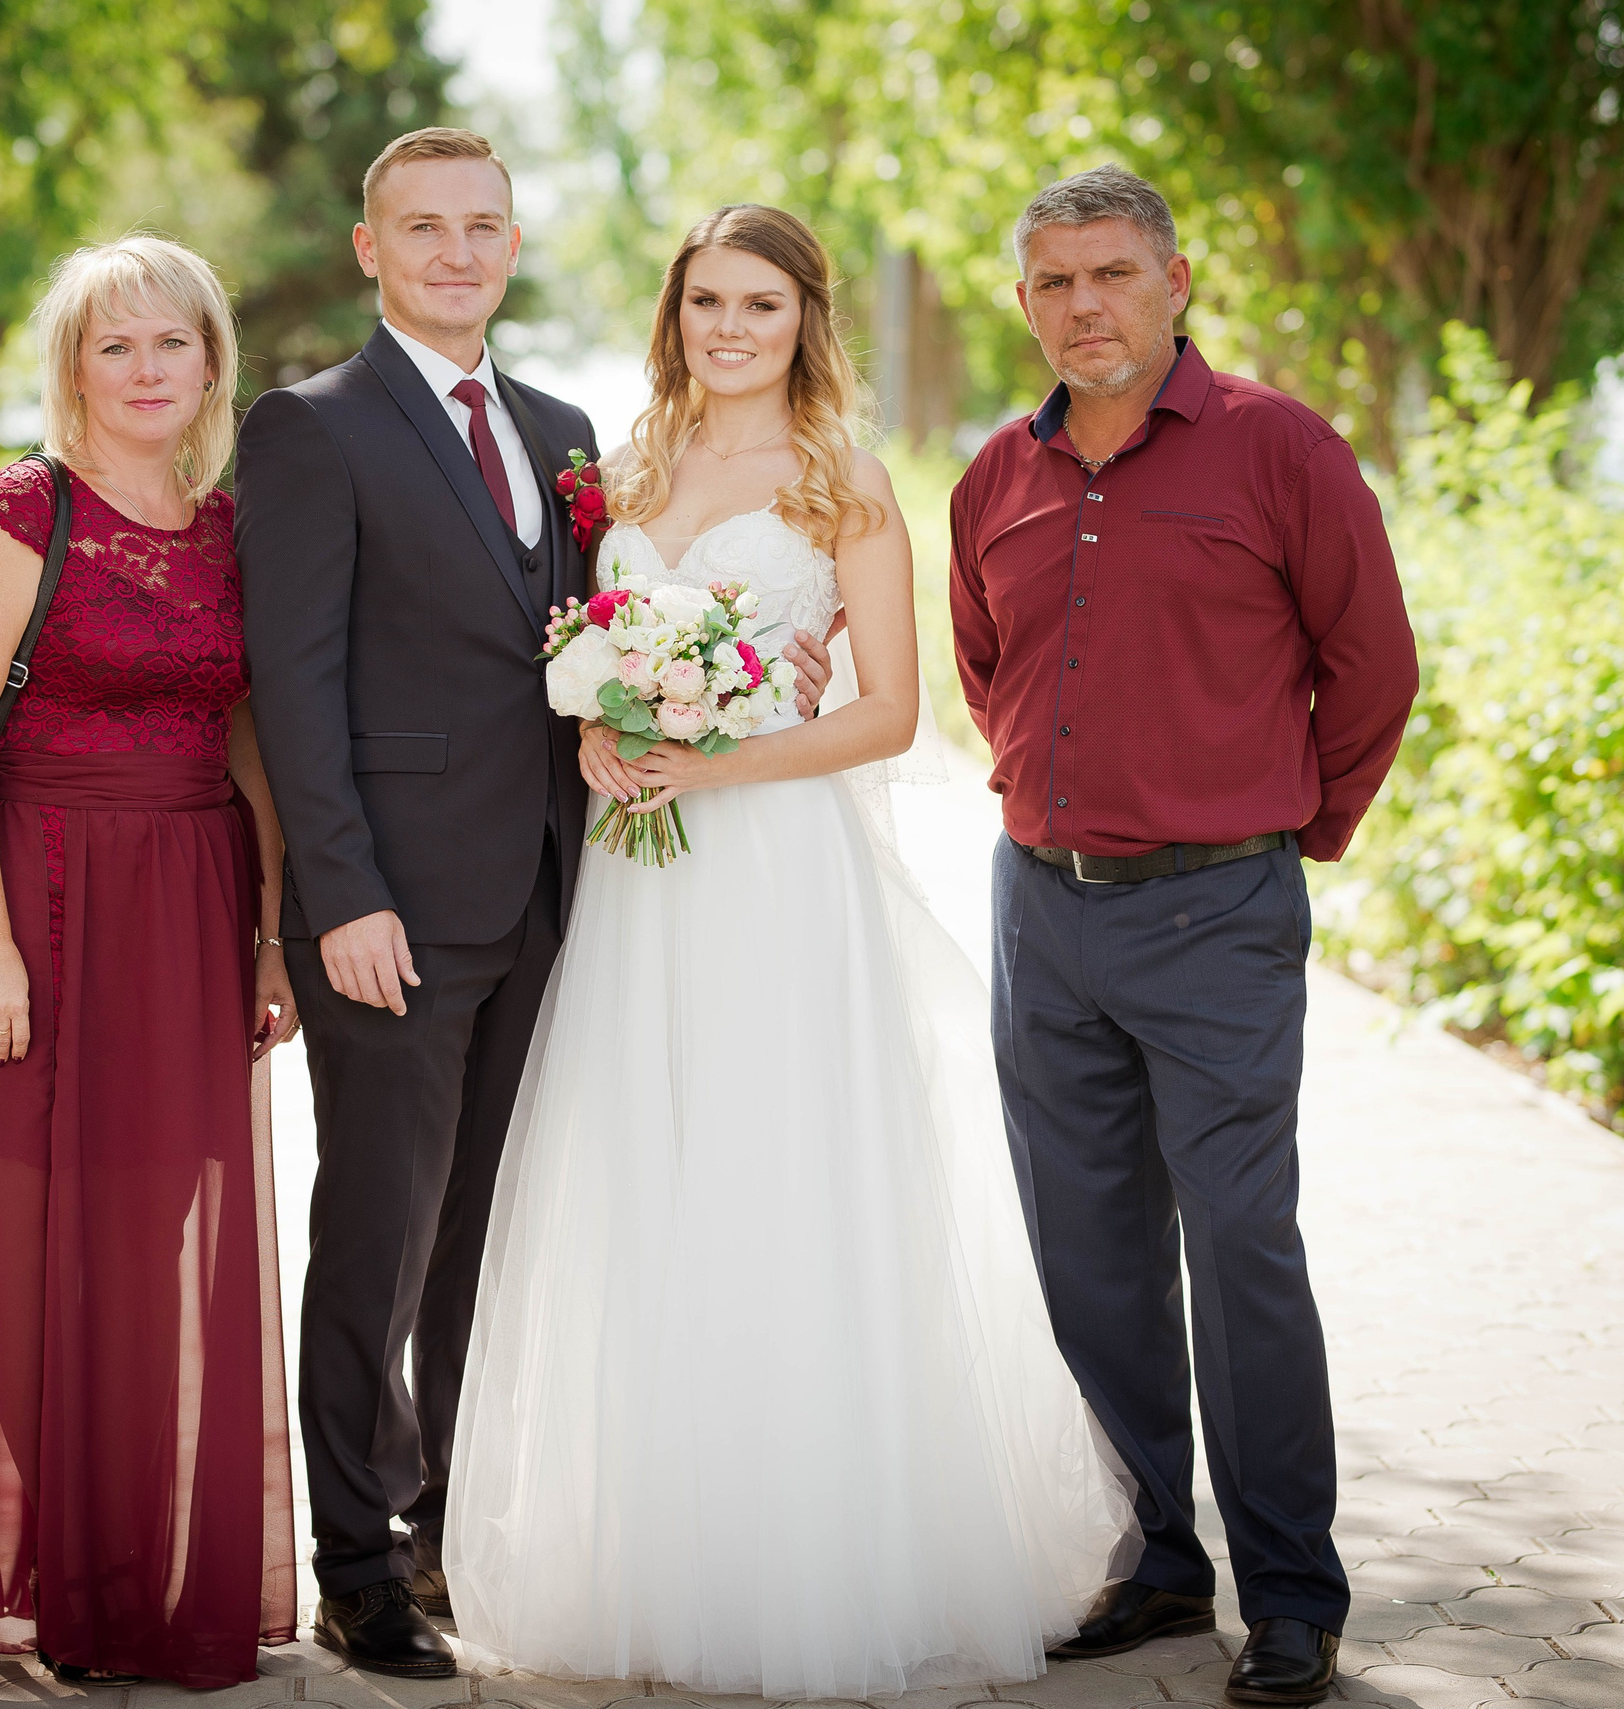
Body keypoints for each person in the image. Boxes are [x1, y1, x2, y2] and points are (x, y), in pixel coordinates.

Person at [443, 203, 1137, 1699]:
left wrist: (712, 762)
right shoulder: (620, 472)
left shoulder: (846, 486)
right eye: (705, 301)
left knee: (779, 1179)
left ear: (805, 318)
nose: (730, 328)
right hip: (640, 882)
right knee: (650, 1178)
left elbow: (892, 712)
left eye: (760, 302)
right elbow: (585, 654)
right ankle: (656, 1553)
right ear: (675, 314)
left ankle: (811, 1559)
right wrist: (601, 728)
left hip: (773, 870)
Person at [235, 129, 836, 1679]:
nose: (455, 251)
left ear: (512, 246)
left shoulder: (567, 429)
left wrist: (747, 681)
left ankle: (445, 1529)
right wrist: (341, 897)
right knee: (374, 1230)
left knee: (482, 1240)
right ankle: (354, 1564)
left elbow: (600, 640)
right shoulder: (312, 429)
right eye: (421, 228)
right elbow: (293, 692)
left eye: (481, 227)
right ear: (370, 248)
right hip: (392, 917)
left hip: (555, 895)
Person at [949, 164, 1417, 1708]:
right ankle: (1161, 1556)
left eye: (1112, 275)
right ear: (1025, 305)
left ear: (1177, 280)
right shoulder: (990, 482)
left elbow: (1371, 667)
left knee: (1239, 1245)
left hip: (1219, 907)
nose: (1085, 305)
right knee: (1090, 1258)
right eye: (1055, 283)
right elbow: (984, 669)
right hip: (1041, 909)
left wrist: (1287, 831)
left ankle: (1292, 1588)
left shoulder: (1275, 448)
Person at [0, 234, 299, 1689]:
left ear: (209, 363)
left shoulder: (235, 526)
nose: (143, 370)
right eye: (112, 346)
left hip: (192, 899)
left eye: (168, 344)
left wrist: (269, 938)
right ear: (73, 367)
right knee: (31, 1240)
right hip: (44, 900)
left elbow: (252, 737)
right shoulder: (24, 508)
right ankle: (52, 1556)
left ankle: (154, 1564)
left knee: (165, 1228)